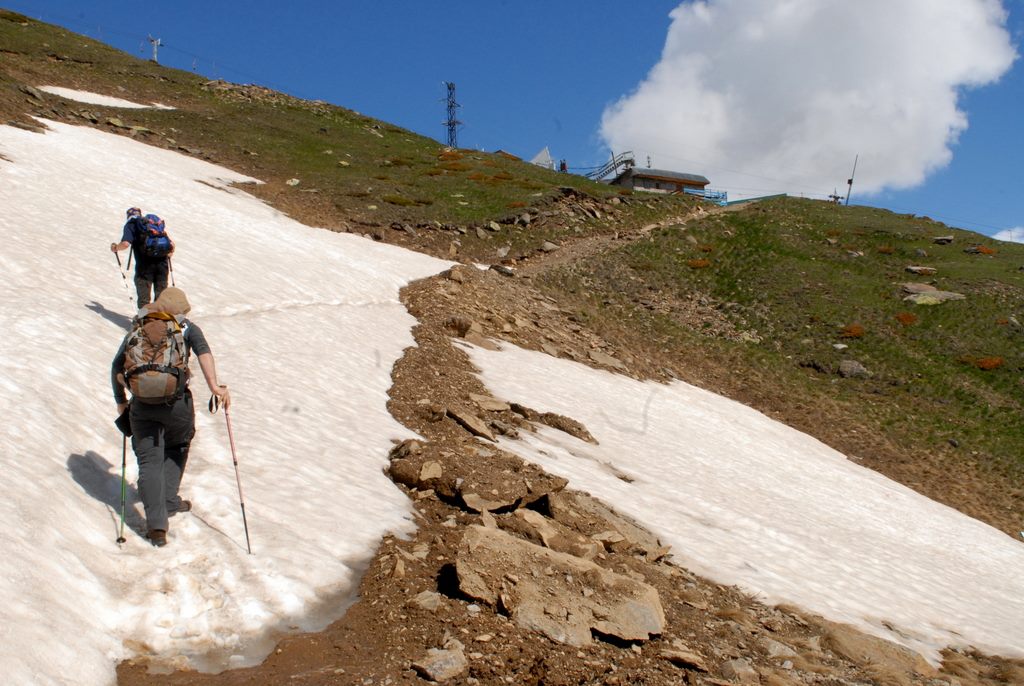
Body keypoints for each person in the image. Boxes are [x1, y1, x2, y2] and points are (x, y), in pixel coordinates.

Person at [111, 287, 230, 547]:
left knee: (149, 461)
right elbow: (204, 353)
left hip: (141, 405)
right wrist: (214, 386)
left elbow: (116, 366)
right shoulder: (186, 328)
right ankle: (168, 499)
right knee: (178, 446)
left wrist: (121, 403)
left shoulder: (138, 326)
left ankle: (156, 526)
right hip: (177, 404)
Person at [110, 207, 173, 308]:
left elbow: (125, 244)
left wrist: (116, 248)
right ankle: (161, 321)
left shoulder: (131, 224)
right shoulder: (153, 225)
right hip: (162, 266)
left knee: (144, 301)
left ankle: (145, 321)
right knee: (161, 300)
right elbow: (171, 246)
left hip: (144, 268)